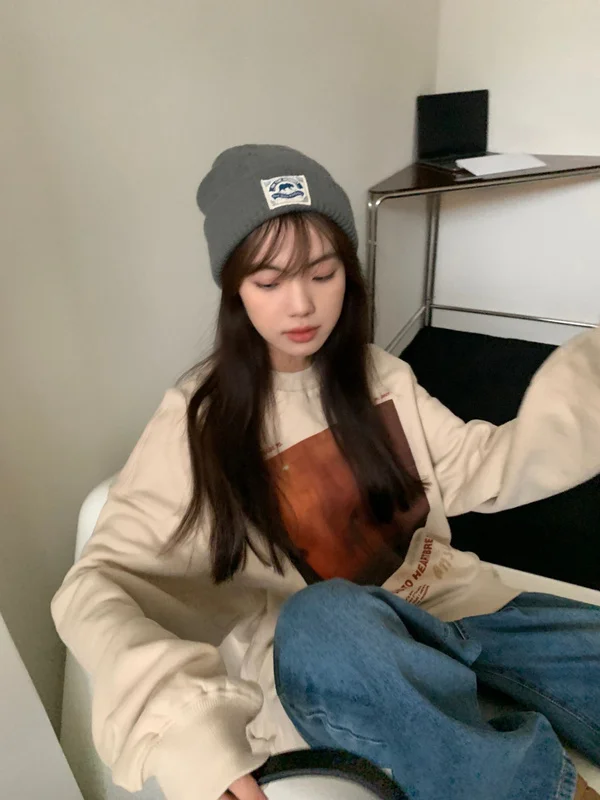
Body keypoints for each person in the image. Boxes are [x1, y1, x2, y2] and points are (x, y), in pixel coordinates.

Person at [52, 144, 600, 800]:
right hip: (339, 652)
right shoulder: (200, 423)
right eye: (269, 281)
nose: (301, 305)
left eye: (322, 272)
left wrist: (582, 400)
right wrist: (184, 727)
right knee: (324, 614)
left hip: (453, 607)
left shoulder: (379, 374)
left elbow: (478, 467)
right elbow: (96, 586)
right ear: (235, 290)